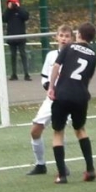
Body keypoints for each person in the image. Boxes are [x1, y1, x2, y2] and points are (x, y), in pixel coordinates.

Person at [48, 22, 96, 184]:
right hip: (80, 96)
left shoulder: (68, 47)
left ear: (78, 34)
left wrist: (51, 87)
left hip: (63, 94)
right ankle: (90, 169)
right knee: (80, 129)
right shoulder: (93, 54)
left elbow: (56, 67)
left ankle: (62, 175)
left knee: (58, 132)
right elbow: (88, 77)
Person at [25, 24, 74, 175]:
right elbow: (45, 78)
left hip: (66, 101)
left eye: (67, 36)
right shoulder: (51, 56)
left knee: (58, 131)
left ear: (72, 39)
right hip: (51, 100)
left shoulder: (74, 57)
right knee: (35, 130)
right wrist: (50, 88)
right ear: (56, 37)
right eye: (61, 36)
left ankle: (62, 166)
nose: (64, 39)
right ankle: (40, 165)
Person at [2, 0, 31, 80]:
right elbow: (4, 19)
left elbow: (26, 16)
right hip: (11, 37)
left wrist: (18, 8)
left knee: (23, 54)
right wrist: (8, 9)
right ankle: (14, 74)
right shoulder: (8, 12)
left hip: (21, 36)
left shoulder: (20, 11)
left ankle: (26, 74)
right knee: (13, 55)